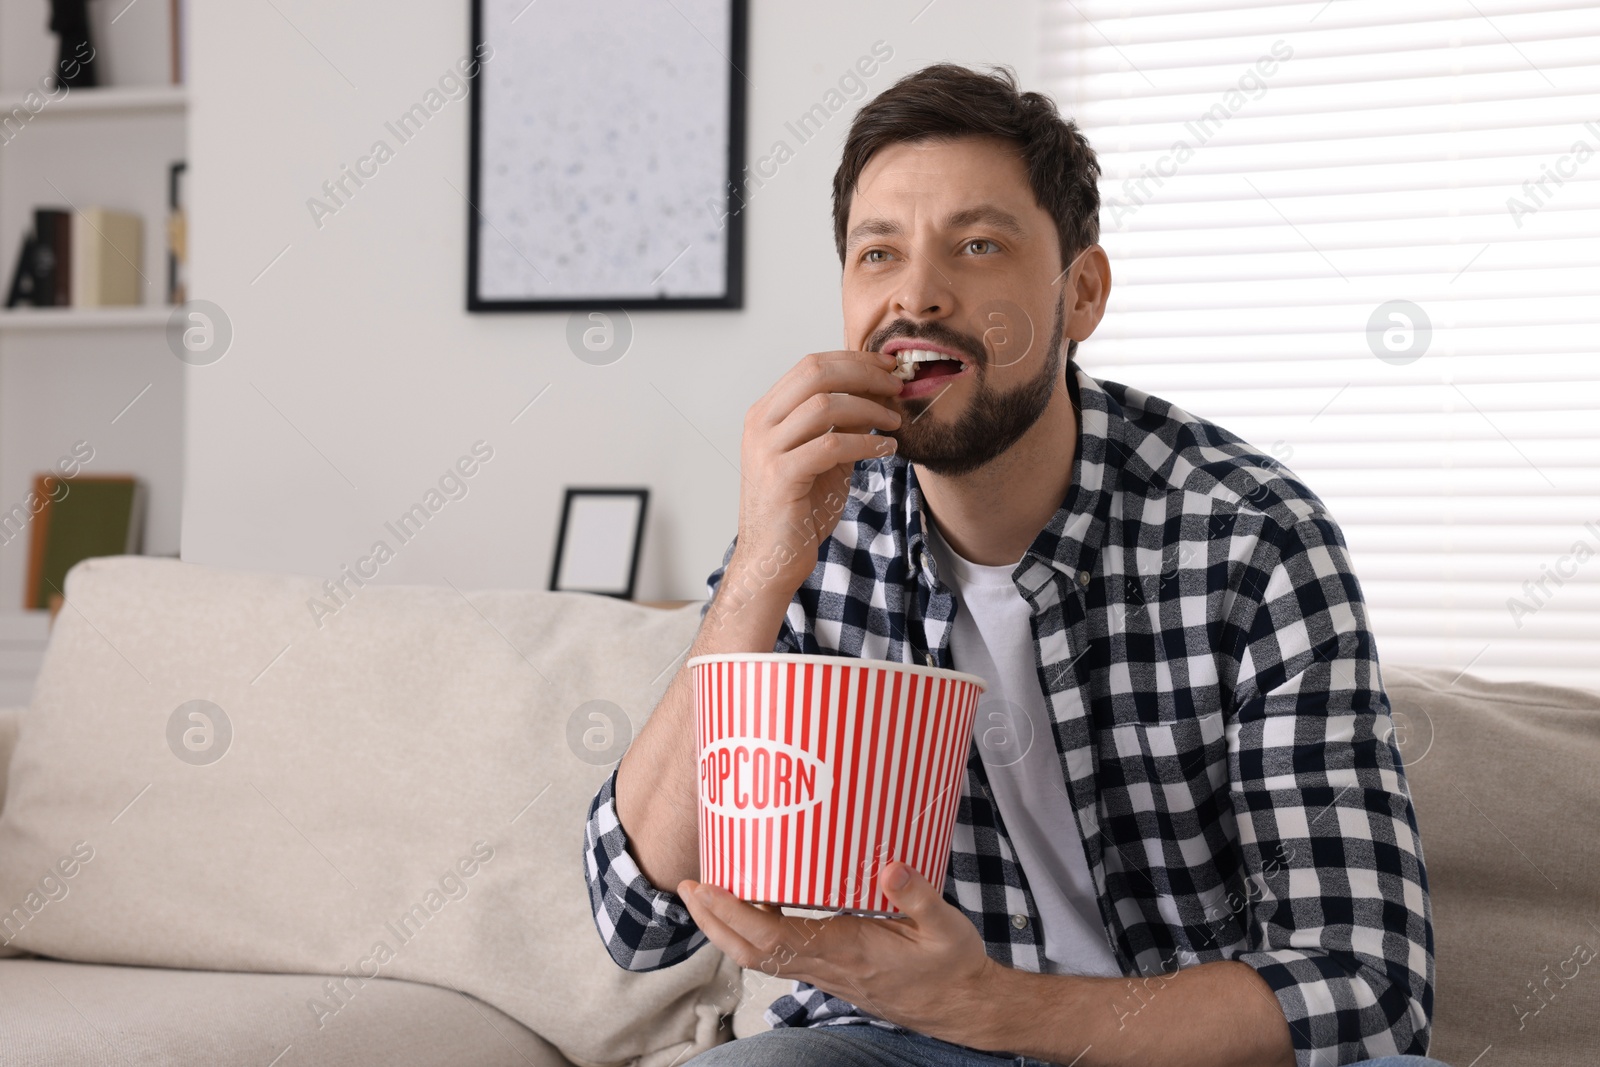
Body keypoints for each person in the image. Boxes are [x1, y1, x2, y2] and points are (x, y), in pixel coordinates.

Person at [583, 63, 1442, 1067]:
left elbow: (1369, 991)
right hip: (890, 1046)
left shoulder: (1248, 536)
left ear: (1080, 293)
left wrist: (986, 1003)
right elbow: (637, 918)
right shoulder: (818, 525)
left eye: (977, 243)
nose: (915, 293)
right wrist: (761, 569)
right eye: (876, 253)